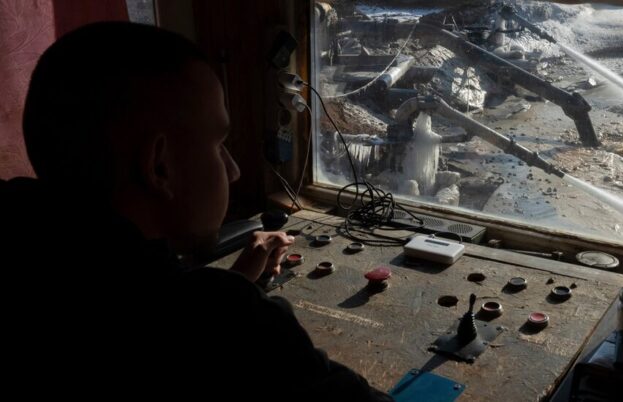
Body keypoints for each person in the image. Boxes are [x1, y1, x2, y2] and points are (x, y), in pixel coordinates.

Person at [0, 21, 392, 400]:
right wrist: (229, 304)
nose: (235, 170)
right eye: (219, 144)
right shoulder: (226, 327)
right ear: (159, 167)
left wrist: (233, 283)